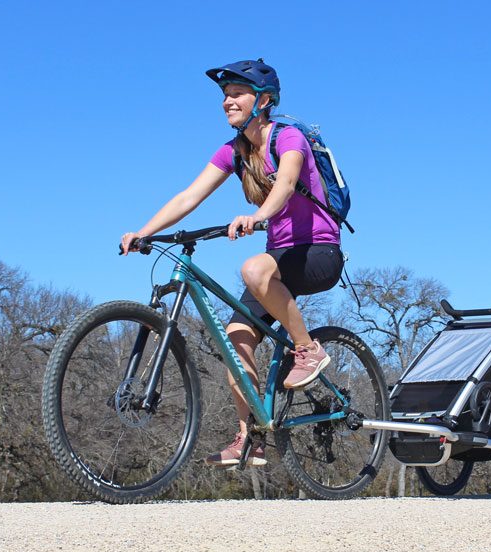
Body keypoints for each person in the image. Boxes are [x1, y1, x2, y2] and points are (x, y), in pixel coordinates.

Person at [120, 59, 343, 467]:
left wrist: (258, 217)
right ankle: (250, 438)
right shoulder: (233, 151)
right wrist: (144, 231)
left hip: (319, 251)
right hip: (278, 258)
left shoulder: (288, 138)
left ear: (264, 100)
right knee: (236, 337)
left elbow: (287, 184)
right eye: (224, 96)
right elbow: (190, 196)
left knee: (253, 268)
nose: (227, 102)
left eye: (237, 94)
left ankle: (307, 349)